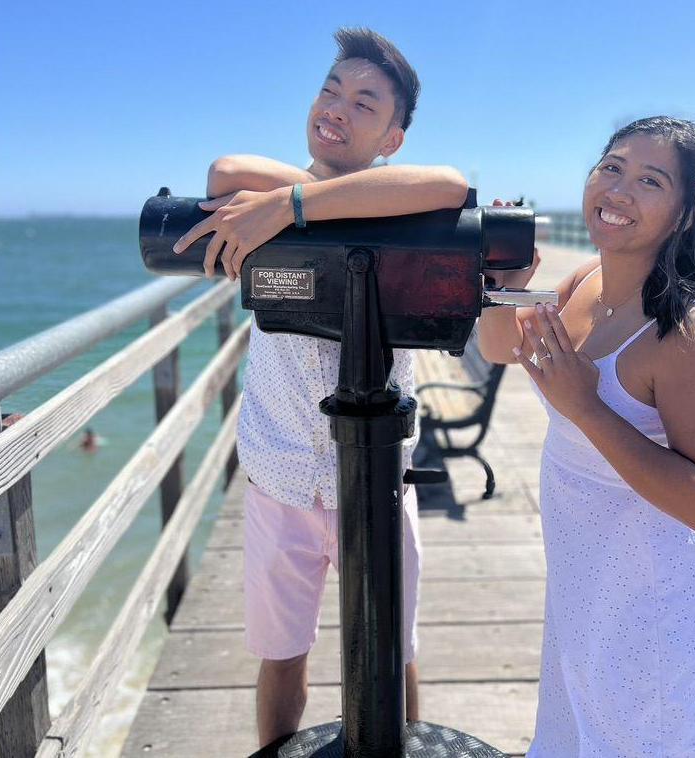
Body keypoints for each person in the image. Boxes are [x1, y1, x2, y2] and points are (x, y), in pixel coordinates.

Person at [174, 28, 469, 748]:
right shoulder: (262, 192)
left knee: (394, 653)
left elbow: (453, 185)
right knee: (282, 654)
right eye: (331, 89)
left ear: (391, 139)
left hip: (376, 479)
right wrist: (299, 200)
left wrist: (295, 209)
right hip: (281, 471)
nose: (338, 106)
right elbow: (223, 168)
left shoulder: (406, 209)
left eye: (365, 101)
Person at [479, 116, 695, 756]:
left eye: (650, 181)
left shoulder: (689, 332)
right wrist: (505, 289)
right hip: (592, 588)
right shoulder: (584, 284)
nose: (619, 190)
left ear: (687, 214)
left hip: (667, 608)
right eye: (612, 167)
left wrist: (587, 408)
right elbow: (500, 351)